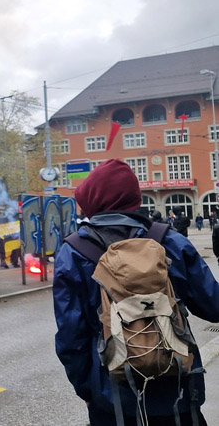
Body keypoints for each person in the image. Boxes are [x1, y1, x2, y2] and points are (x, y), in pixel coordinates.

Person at [54, 159, 219, 426]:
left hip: (112, 398)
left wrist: (87, 390)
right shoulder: (171, 242)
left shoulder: (73, 252)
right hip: (177, 391)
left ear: (91, 200)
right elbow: (213, 306)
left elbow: (70, 336)